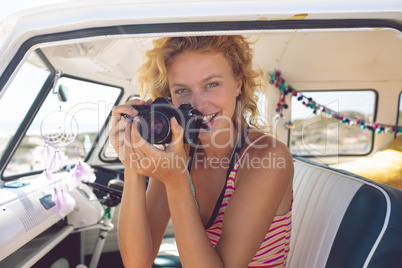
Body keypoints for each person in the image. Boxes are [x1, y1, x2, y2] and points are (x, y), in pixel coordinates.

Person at [109, 35, 294, 268]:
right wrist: (132, 164)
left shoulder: (268, 157)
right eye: (183, 90)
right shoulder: (180, 153)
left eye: (211, 84)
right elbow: (137, 262)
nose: (198, 103)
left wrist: (177, 182)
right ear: (170, 99)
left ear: (238, 84)